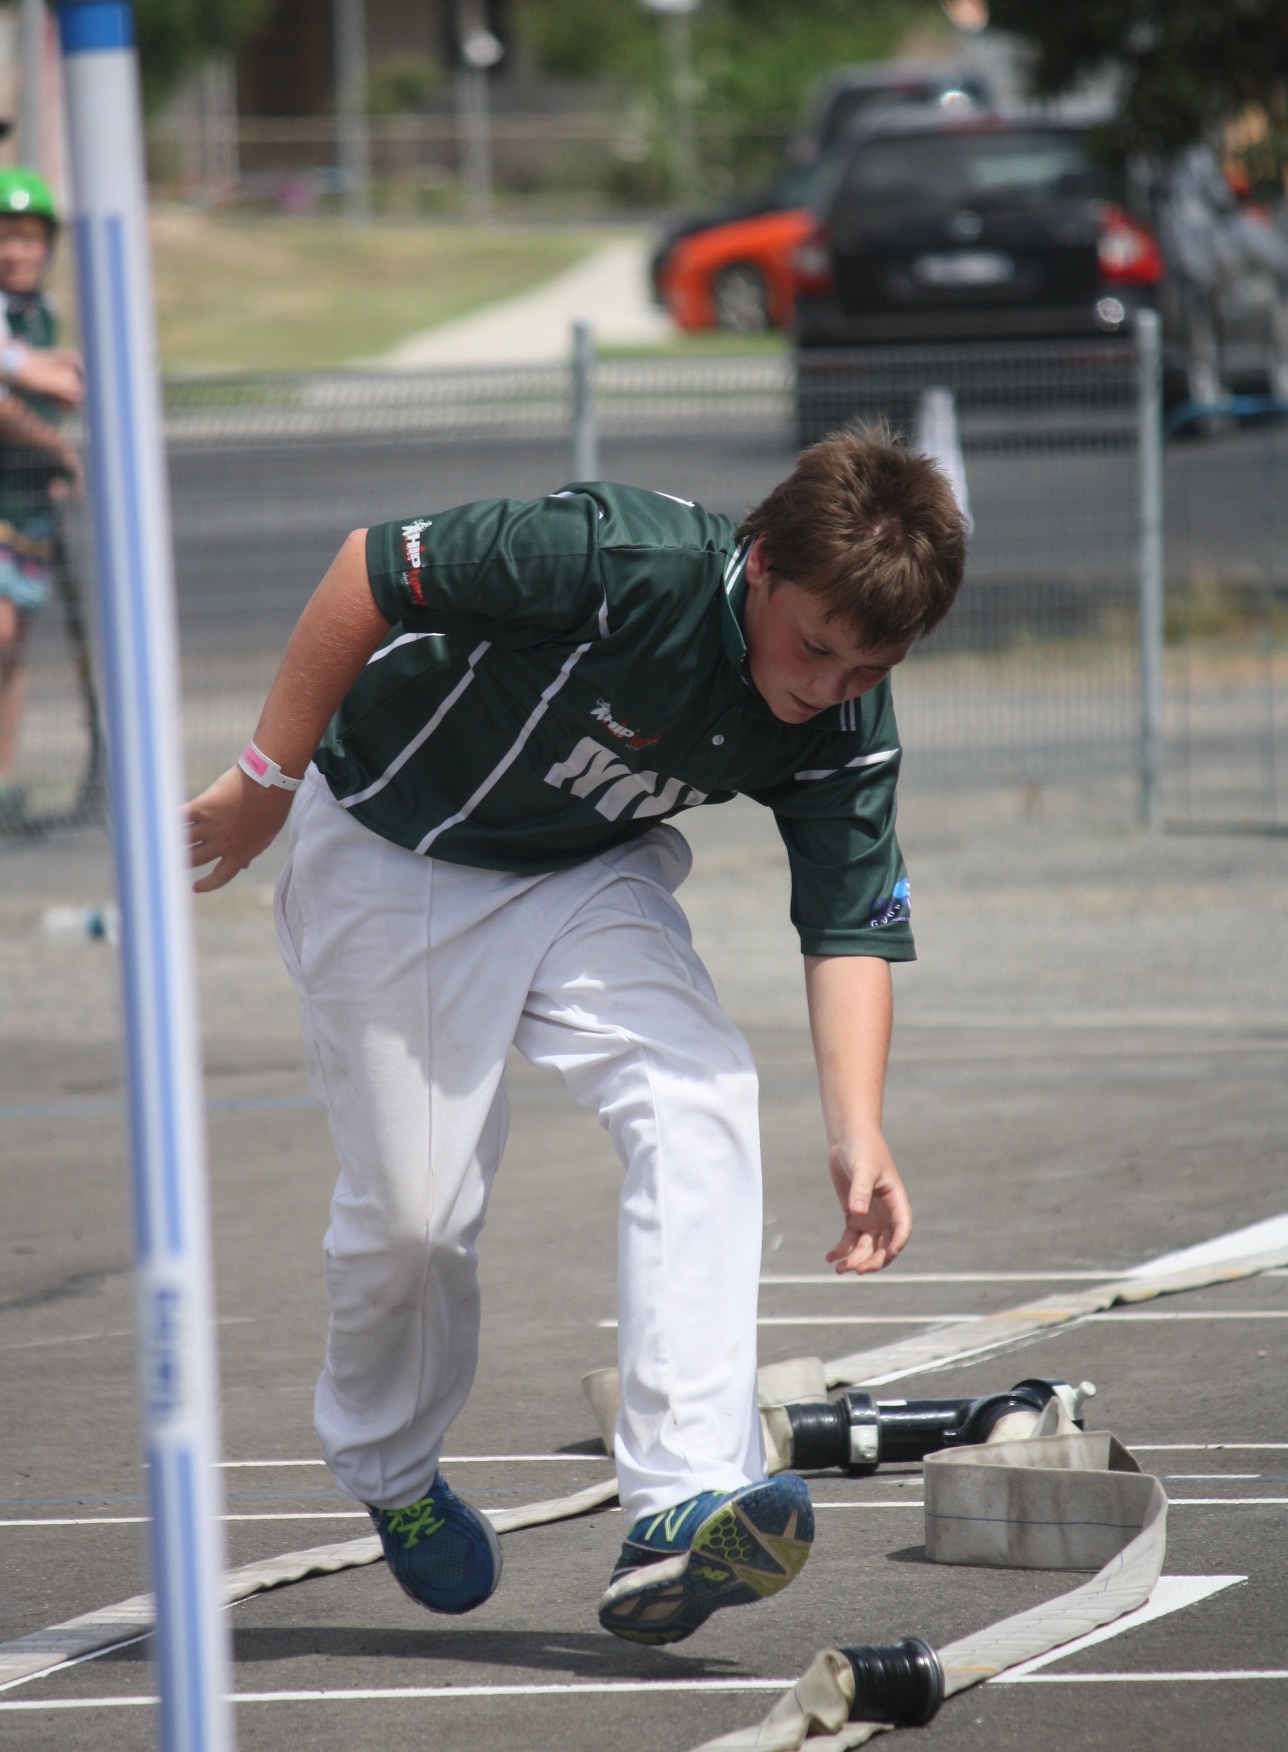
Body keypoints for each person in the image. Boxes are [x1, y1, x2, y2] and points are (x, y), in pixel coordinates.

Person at [185, 431, 968, 1646]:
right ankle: (392, 1469)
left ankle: (681, 1496)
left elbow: (849, 924)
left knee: (701, 1086)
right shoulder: (614, 558)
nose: (828, 687)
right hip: (397, 851)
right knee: (414, 1221)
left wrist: (857, 1129)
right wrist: (263, 780)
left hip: (584, 872)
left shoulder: (844, 715)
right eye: (815, 647)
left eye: (869, 665)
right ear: (762, 562)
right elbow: (368, 568)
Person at [0, 169, 85, 828]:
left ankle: (4, 783)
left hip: (25, 505)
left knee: (14, 646)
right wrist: (56, 447)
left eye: (28, 238)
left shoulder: (40, 311)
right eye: (5, 237)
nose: (15, 251)